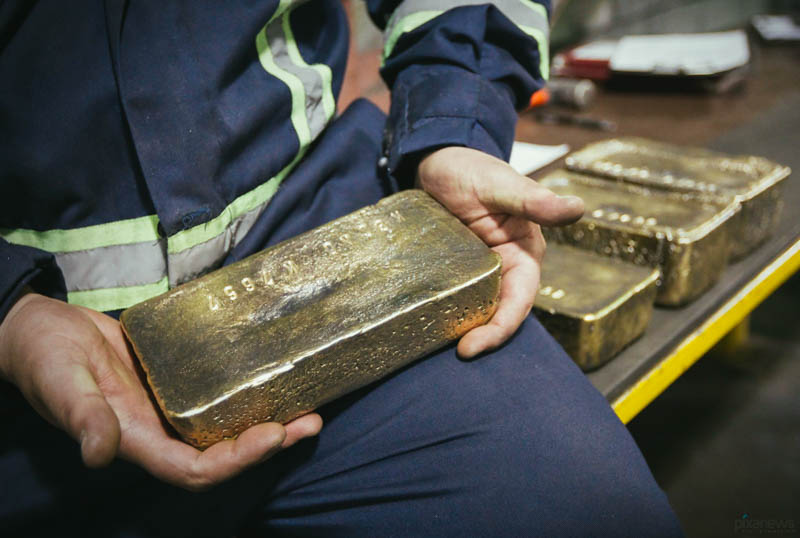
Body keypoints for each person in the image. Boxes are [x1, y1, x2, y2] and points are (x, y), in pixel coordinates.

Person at [0, 1, 683, 536]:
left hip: (342, 238)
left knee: (596, 512)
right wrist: (10, 308)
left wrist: (456, 122)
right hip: (39, 365)